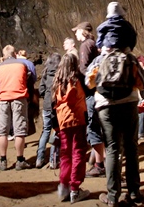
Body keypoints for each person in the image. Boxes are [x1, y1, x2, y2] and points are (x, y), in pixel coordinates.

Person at [90, 1, 144, 206]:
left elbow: (89, 82)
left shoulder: (99, 60)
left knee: (112, 148)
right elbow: (142, 83)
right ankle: (134, 193)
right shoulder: (130, 58)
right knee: (131, 147)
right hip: (129, 103)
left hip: (105, 105)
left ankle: (112, 196)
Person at [52, 53, 91, 203]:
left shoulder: (57, 82)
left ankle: (64, 186)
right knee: (78, 153)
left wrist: (55, 125)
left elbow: (52, 105)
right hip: (77, 120)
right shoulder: (77, 80)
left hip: (63, 123)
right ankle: (75, 189)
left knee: (65, 154)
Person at [71, 21, 105, 178]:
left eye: (77, 31)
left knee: (93, 128)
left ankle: (100, 164)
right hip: (98, 91)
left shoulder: (85, 45)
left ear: (83, 32)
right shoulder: (95, 44)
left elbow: (85, 69)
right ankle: (99, 161)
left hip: (91, 92)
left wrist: (75, 73)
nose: (75, 34)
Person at [0, 44, 32, 171]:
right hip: (19, 98)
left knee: (2, 131)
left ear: (4, 56)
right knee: (19, 130)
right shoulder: (22, 64)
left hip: (3, 98)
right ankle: (20, 160)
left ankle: (3, 160)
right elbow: (27, 78)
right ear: (15, 54)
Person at [36, 52, 62, 169]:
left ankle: (39, 159)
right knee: (56, 132)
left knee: (45, 131)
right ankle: (53, 160)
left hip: (46, 105)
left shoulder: (46, 72)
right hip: (56, 106)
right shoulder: (60, 74)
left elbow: (41, 89)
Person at [16, 49, 38, 137]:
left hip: (16, 90)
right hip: (28, 90)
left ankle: (16, 132)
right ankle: (26, 129)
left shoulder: (14, 63)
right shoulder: (30, 64)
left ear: (18, 54)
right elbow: (34, 78)